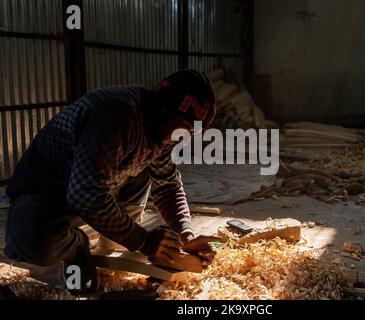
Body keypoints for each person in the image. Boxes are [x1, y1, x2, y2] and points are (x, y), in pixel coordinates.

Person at [4, 70, 218, 293]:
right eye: (182, 128)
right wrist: (144, 241)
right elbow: (85, 196)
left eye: (190, 132)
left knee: (147, 171)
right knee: (34, 244)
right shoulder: (117, 114)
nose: (182, 138)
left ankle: (111, 240)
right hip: (46, 190)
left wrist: (185, 235)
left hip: (94, 183)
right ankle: (76, 247)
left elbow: (167, 185)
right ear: (162, 110)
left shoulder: (164, 129)